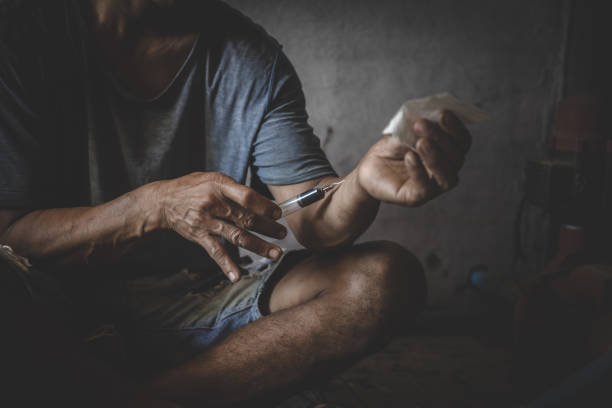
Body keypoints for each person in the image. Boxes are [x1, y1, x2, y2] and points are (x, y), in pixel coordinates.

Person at [0, 0, 471, 406]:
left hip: (192, 300)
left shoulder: (248, 56)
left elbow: (313, 220)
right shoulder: (23, 38)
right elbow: (10, 233)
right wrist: (150, 207)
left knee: (382, 280)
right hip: (48, 305)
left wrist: (362, 186)